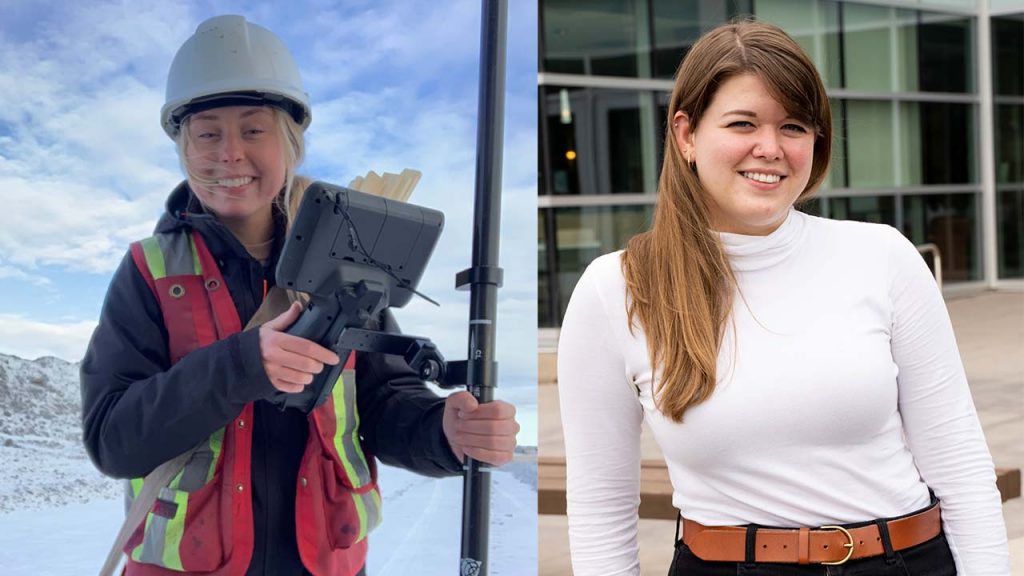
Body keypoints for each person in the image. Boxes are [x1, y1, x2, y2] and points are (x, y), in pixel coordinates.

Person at [557, 19, 1009, 576]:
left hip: (906, 562)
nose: (769, 148)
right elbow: (601, 505)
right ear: (686, 135)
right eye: (743, 123)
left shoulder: (883, 256)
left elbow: (959, 463)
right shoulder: (618, 289)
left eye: (793, 126)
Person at [80, 15, 519, 576]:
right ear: (184, 148)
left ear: (291, 144)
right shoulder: (148, 270)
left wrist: (444, 431)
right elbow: (113, 440)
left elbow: (383, 402)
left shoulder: (350, 261)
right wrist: (241, 366)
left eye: (254, 130)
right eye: (208, 133)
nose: (230, 154)